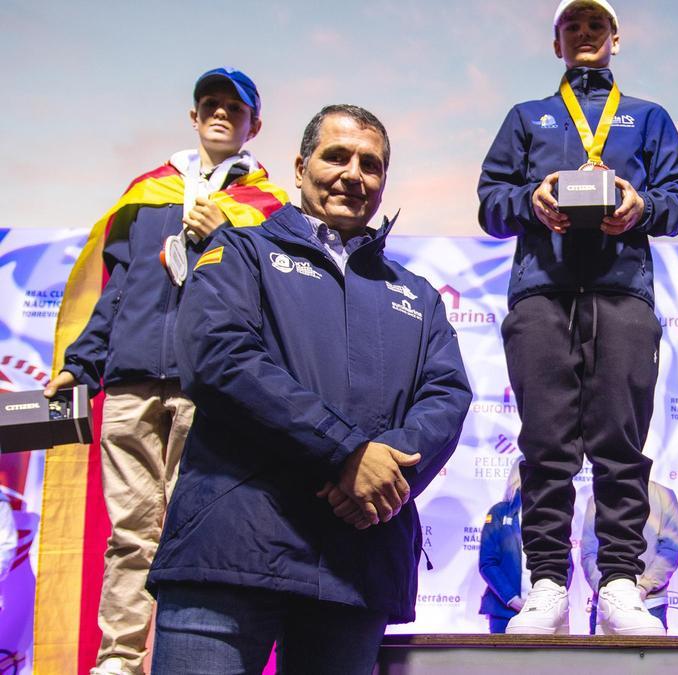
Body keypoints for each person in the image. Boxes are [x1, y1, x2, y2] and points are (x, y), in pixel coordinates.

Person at [146, 105, 472, 673]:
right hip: (231, 552)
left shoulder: (417, 294)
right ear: (299, 167)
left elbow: (446, 398)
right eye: (336, 156)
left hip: (357, 562)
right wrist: (347, 454)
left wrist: (383, 483)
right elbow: (219, 360)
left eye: (371, 165)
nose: (353, 174)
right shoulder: (241, 254)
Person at [43, 67, 286, 675]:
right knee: (128, 534)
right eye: (211, 103)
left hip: (209, 388)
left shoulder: (269, 210)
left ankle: (178, 661)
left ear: (256, 123)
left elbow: (277, 302)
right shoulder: (144, 194)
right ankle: (118, 662)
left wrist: (228, 237)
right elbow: (117, 290)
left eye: (236, 107)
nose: (222, 114)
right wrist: (80, 364)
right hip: (128, 385)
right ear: (194, 114)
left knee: (189, 532)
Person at [477, 0, 678, 636]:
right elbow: (490, 204)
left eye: (597, 24)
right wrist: (529, 199)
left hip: (624, 293)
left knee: (620, 446)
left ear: (616, 38)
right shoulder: (526, 118)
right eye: (573, 25)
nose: (585, 34)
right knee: (546, 447)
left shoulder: (649, 118)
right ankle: (547, 581)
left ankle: (619, 580)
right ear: (557, 43)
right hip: (540, 293)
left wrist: (641, 204)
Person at [581, 480, 678, 633]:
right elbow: (589, 551)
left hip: (649, 603)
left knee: (650, 657)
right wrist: (605, 588)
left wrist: (643, 587)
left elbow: (671, 549)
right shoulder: (599, 496)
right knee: (601, 657)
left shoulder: (663, 495)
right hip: (604, 603)